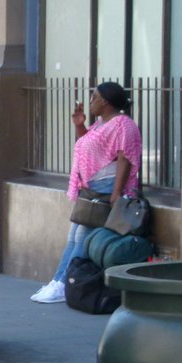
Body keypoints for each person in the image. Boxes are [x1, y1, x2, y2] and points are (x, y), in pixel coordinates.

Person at [31, 81, 142, 304]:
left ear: (106, 101)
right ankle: (60, 281)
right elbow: (89, 147)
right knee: (73, 236)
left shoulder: (123, 124)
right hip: (90, 189)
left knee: (82, 237)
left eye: (94, 97)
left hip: (106, 188)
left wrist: (117, 192)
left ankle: (63, 284)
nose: (90, 101)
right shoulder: (100, 123)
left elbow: (125, 158)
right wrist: (80, 126)